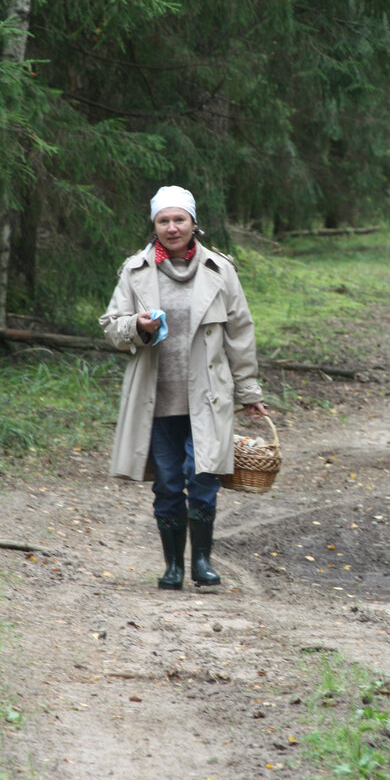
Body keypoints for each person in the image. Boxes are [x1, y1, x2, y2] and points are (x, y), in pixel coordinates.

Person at [99, 185, 267, 590]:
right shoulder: (136, 269)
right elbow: (111, 327)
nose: (172, 228)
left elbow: (240, 334)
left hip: (208, 394)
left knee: (204, 475)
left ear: (194, 224)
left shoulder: (220, 270)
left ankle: (202, 564)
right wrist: (136, 326)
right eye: (164, 220)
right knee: (170, 480)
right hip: (155, 398)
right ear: (154, 225)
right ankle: (173, 567)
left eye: (180, 219)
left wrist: (250, 393)